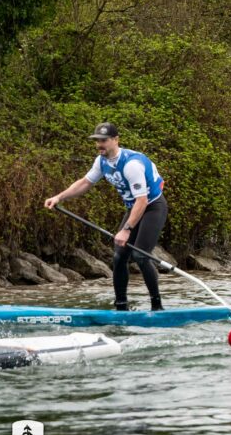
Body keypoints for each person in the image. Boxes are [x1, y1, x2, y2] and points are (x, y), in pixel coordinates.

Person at [44, 122, 167, 312]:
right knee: (119, 257)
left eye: (104, 140)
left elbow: (142, 201)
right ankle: (121, 307)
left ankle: (157, 307)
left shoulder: (131, 164)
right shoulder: (101, 161)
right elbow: (85, 183)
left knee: (141, 255)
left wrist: (126, 230)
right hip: (133, 207)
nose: (100, 145)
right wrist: (59, 197)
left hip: (152, 207)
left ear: (116, 140)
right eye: (97, 141)